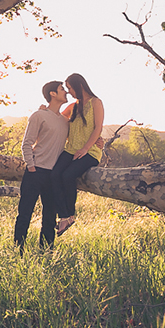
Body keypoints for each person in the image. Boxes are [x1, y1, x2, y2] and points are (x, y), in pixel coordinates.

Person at [14, 80, 69, 253]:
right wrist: (31, 166)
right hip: (35, 172)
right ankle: (18, 252)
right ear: (52, 94)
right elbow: (27, 143)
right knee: (25, 214)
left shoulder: (65, 122)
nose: (65, 92)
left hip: (54, 176)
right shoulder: (39, 115)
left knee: (49, 218)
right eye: (62, 89)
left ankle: (46, 254)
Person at [52, 73, 104, 237]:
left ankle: (70, 215)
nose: (69, 92)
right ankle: (64, 216)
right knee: (54, 175)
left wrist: (86, 148)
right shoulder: (73, 106)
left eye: (70, 88)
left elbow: (98, 128)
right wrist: (44, 110)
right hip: (70, 149)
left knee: (67, 176)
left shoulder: (96, 102)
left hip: (90, 152)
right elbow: (58, 117)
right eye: (66, 89)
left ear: (79, 86)